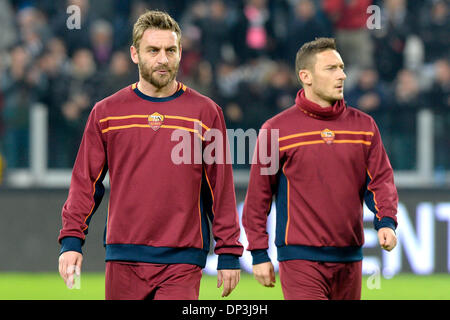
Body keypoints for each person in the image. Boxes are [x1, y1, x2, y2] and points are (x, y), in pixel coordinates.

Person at [58, 10, 243, 300]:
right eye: (153, 50)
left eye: (171, 50)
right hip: (123, 256)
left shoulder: (206, 113)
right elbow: (85, 183)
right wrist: (71, 241)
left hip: (182, 259)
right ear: (135, 54)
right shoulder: (106, 113)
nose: (163, 59)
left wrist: (229, 251)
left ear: (181, 52)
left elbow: (220, 189)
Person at [242, 37, 398, 300]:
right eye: (331, 68)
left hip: (350, 258)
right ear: (306, 76)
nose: (343, 75)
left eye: (341, 67)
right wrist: (258, 253)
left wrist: (386, 222)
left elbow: (380, 181)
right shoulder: (275, 130)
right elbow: (259, 197)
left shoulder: (365, 126)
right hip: (300, 260)